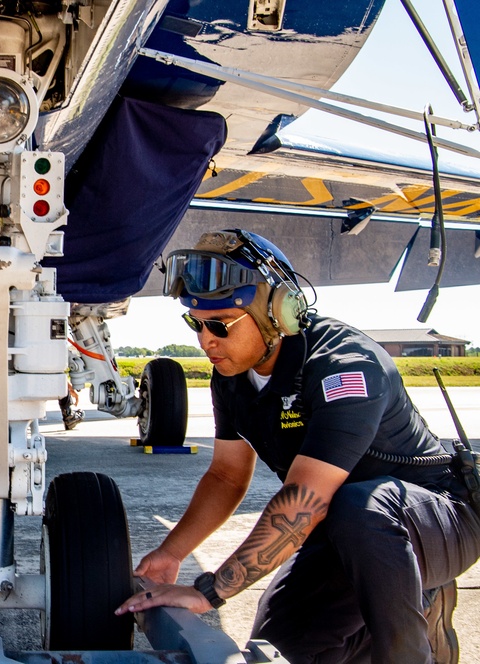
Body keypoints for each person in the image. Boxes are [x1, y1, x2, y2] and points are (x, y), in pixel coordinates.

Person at [115, 229, 480, 663]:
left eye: (219, 325)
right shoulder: (231, 377)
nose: (205, 341)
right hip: (340, 530)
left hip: (436, 519)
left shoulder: (344, 367)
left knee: (360, 506)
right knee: (286, 645)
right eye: (196, 323)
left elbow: (305, 500)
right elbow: (227, 475)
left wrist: (210, 590)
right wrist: (170, 553)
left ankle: (416, 637)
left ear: (278, 313)